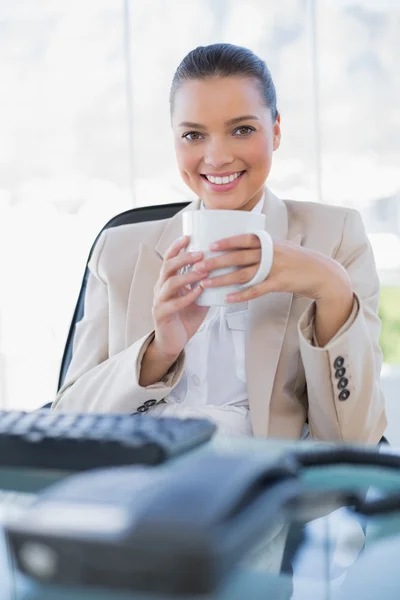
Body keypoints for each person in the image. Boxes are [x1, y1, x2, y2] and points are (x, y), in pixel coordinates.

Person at [52, 43, 387, 444]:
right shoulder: (119, 251)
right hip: (142, 480)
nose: (217, 157)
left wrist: (332, 289)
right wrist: (158, 351)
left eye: (242, 130)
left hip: (260, 487)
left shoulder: (335, 237)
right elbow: (64, 423)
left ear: (276, 130)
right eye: (193, 135)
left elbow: (355, 439)